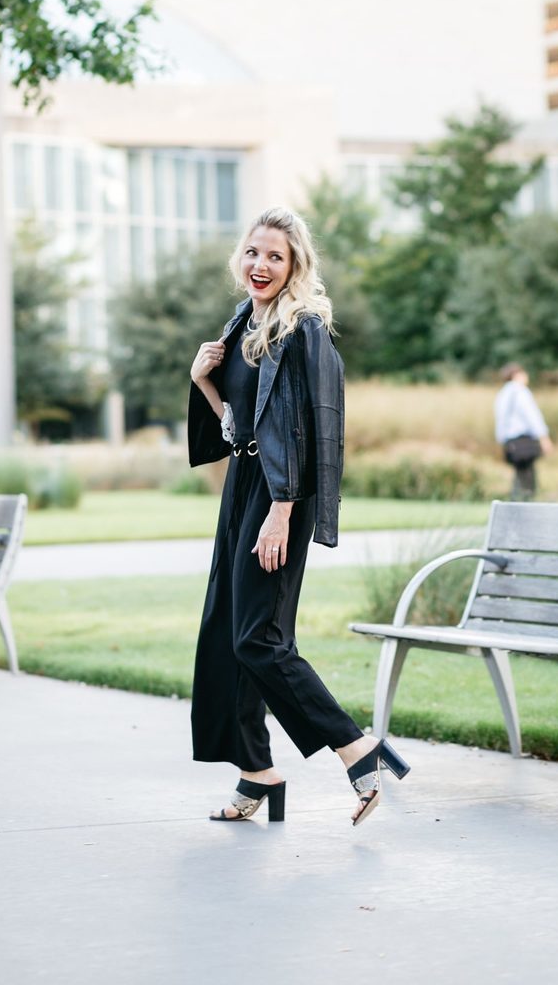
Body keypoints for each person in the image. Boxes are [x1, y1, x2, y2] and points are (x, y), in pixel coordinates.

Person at [188, 207, 410, 828]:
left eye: (276, 257)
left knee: (259, 638)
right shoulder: (243, 322)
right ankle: (257, 773)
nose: (261, 265)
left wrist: (282, 512)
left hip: (280, 493)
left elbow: (315, 429)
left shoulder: (304, 329)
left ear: (295, 267)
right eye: (254, 252)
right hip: (244, 483)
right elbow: (240, 426)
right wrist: (203, 381)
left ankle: (356, 747)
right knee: (228, 632)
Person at [494, 363, 553, 500]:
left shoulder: (502, 394)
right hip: (523, 439)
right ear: (516, 375)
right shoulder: (520, 392)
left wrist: (502, 440)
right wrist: (544, 437)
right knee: (528, 477)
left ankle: (515, 504)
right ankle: (526, 506)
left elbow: (501, 422)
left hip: (510, 442)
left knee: (519, 475)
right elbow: (532, 416)